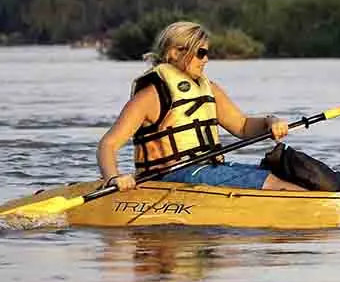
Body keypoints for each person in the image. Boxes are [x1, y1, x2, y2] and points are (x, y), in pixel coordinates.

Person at [97, 20, 304, 192]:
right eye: (201, 53)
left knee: (287, 175)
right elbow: (108, 144)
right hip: (171, 176)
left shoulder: (209, 89)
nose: (206, 60)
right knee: (276, 185)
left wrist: (271, 122)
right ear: (175, 53)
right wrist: (113, 178)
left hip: (208, 170)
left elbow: (242, 126)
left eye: (207, 53)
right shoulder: (150, 96)